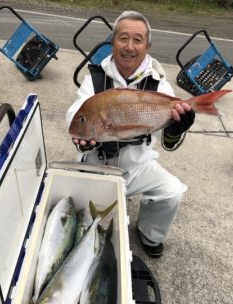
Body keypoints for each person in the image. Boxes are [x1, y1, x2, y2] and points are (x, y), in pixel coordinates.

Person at [66, 10, 195, 257]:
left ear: (148, 45)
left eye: (137, 40)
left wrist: (174, 130)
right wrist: (84, 143)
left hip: (139, 166)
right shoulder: (94, 78)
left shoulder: (159, 85)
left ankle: (150, 232)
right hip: (97, 163)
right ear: (112, 41)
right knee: (78, 215)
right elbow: (77, 115)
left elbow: (166, 142)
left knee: (172, 191)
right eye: (123, 38)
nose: (129, 46)